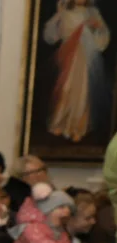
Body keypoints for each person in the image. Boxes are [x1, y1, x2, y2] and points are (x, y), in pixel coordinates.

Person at [42, 1, 111, 143]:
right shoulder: (65, 12)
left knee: (81, 92)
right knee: (65, 89)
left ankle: (77, 127)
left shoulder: (92, 13)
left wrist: (95, 28)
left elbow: (103, 37)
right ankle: (61, 122)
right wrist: (60, 17)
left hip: (85, 59)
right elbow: (52, 35)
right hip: (68, 58)